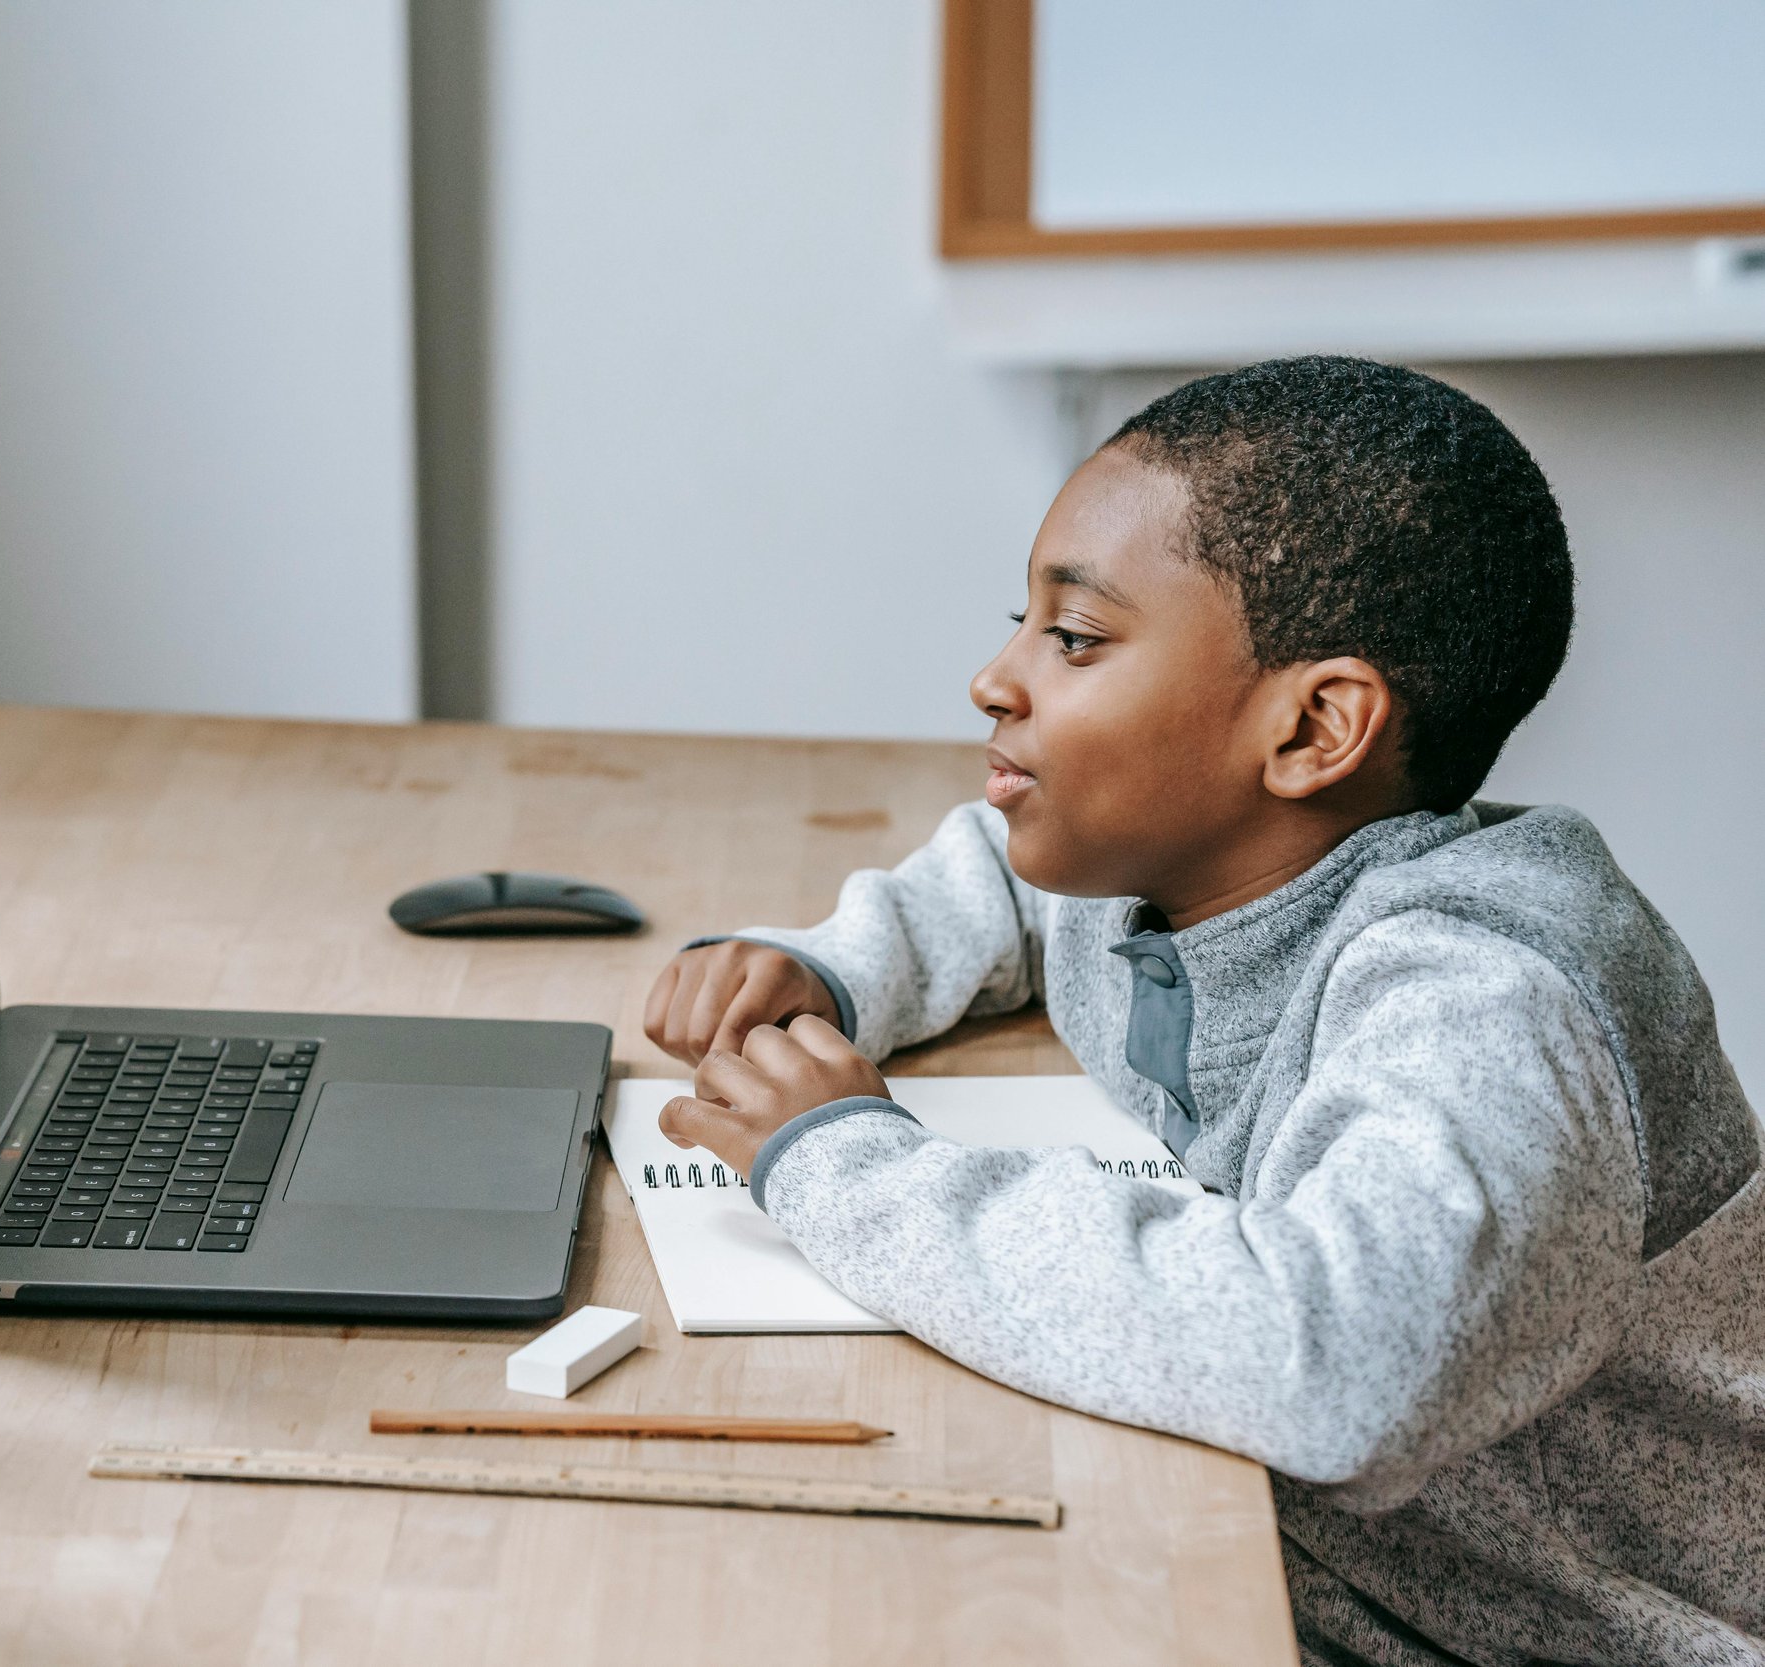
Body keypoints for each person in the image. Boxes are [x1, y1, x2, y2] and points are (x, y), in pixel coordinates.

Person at [645, 357, 1763, 1667]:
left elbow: (1344, 1368)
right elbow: (1004, 882)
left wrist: (849, 1166)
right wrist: (841, 969)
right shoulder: (1173, 868)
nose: (993, 679)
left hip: (1580, 1631)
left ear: (1311, 730)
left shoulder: (1491, 1006)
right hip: (1345, 1562)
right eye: (1021, 622)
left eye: (1073, 639)